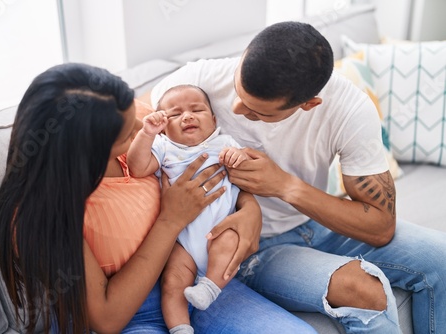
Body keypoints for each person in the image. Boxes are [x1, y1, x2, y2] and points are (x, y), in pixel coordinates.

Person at [150, 21, 446, 334]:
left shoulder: (349, 109)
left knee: (440, 257)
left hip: (317, 221)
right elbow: (137, 124)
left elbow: (381, 226)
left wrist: (283, 186)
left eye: (258, 113)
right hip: (251, 246)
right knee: (363, 289)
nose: (237, 109)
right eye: (238, 93)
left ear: (309, 104)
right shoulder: (196, 80)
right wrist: (249, 211)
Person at [0, 63, 317, 334]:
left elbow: (209, 158)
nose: (141, 125)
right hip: (133, 313)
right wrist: (170, 219)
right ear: (86, 152)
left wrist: (249, 208)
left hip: (200, 276)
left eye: (134, 114)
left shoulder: (138, 122)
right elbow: (106, 318)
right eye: (127, 133)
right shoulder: (42, 214)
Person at [127, 84, 253, 333]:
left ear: (214, 119)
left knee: (230, 240)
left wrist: (239, 159)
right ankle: (180, 328)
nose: (187, 116)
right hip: (181, 242)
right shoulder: (164, 148)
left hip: (220, 231)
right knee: (172, 283)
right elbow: (138, 167)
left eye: (197, 109)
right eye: (174, 114)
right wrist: (147, 133)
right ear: (164, 125)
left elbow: (248, 171)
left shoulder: (225, 143)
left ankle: (209, 288)